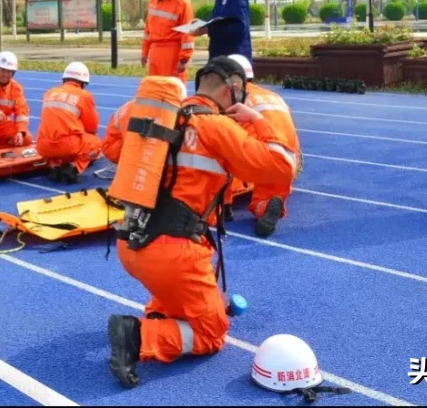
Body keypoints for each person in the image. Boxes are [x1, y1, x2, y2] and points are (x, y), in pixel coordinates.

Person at [107, 57, 299, 389]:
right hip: (173, 253)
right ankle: (139, 335)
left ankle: (159, 314)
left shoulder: (165, 116)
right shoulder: (217, 127)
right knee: (212, 332)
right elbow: (283, 165)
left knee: (181, 291)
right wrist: (257, 121)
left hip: (130, 241)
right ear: (233, 89)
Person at [228, 54, 301, 237]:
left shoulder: (234, 96)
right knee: (264, 199)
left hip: (260, 155)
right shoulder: (274, 96)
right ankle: (269, 204)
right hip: (288, 158)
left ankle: (225, 205)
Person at [36, 62, 101, 184]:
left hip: (43, 146)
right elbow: (92, 127)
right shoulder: (84, 95)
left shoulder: (49, 93)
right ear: (83, 83)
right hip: (67, 146)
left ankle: (54, 165)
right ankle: (73, 168)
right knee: (95, 142)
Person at [141, 0, 195, 82]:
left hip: (172, 54)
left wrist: (184, 59)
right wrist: (144, 52)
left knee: (172, 91)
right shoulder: (152, 1)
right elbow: (148, 30)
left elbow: (188, 34)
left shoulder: (182, 4)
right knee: (155, 90)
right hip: (155, 53)